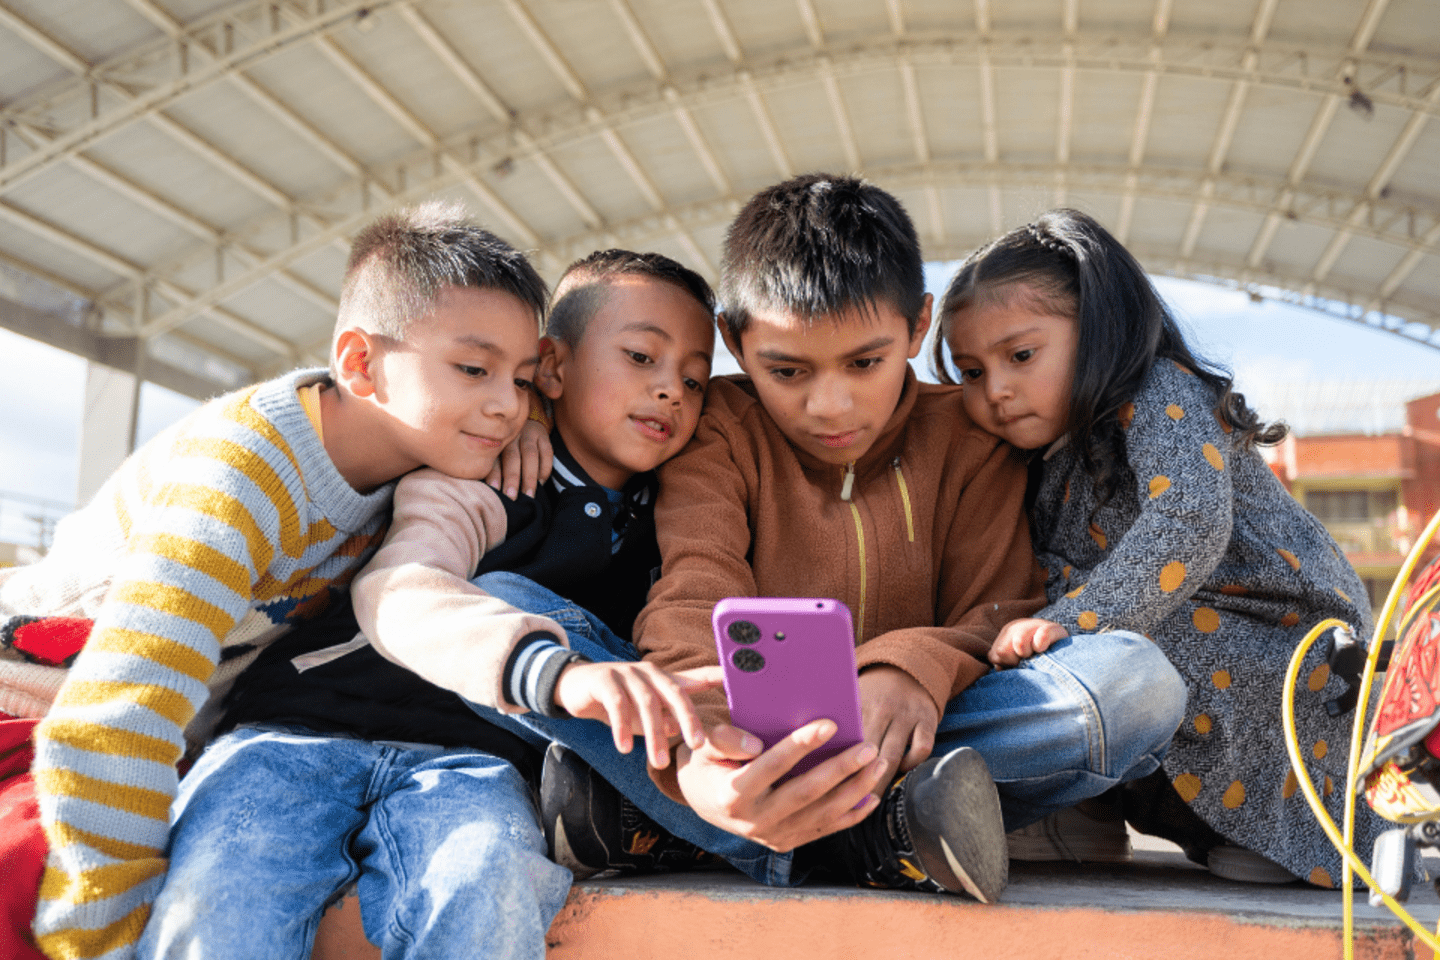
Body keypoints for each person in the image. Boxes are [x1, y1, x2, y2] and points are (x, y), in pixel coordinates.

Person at [457, 174, 1188, 904]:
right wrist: (702, 763)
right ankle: (876, 840)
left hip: (917, 736)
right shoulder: (717, 426)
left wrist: (908, 670)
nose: (830, 405)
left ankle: (677, 826)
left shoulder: (970, 438)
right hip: (742, 737)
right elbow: (692, 589)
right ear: (736, 344)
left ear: (919, 326)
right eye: (787, 371)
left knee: (1134, 682)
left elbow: (998, 611)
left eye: (866, 363)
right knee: (499, 611)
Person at [0, 201, 551, 960]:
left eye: (522, 380)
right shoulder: (240, 475)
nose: (505, 404)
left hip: (158, 730)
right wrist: (103, 941)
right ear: (359, 364)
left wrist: (533, 419)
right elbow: (118, 713)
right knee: (27, 873)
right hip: (37, 705)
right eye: (474, 369)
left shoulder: (421, 449)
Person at [135, 249, 721, 960]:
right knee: (224, 895)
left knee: (486, 884)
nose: (671, 391)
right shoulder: (482, 465)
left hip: (472, 764)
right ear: (553, 369)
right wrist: (553, 671)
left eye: (694, 378)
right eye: (641, 357)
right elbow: (403, 580)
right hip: (298, 730)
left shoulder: (673, 526)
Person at [933, 207, 1382, 886]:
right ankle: (1078, 811)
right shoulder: (1038, 461)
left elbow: (1189, 524)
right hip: (1181, 653)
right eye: (970, 372)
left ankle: (1304, 828)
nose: (995, 390)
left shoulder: (1159, 392)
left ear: (1099, 330)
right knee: (1043, 629)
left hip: (1288, 649)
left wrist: (1065, 623)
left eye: (1021, 355)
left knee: (1091, 636)